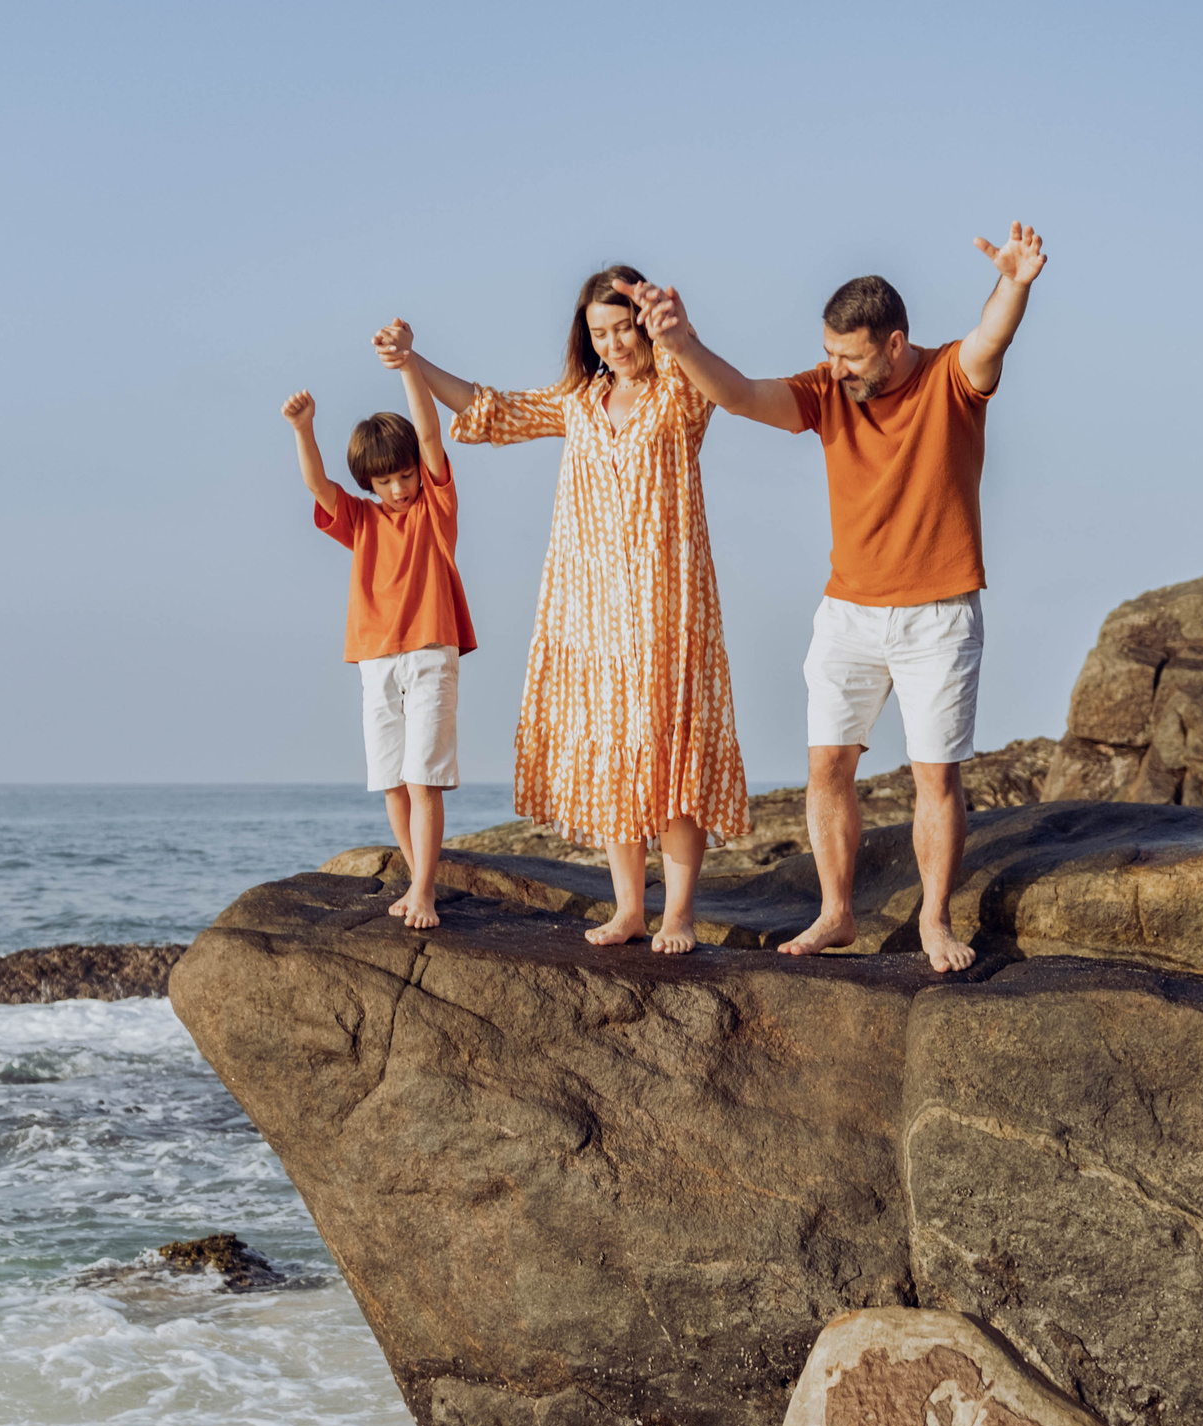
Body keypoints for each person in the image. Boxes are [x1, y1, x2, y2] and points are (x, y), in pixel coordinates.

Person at [628, 225, 1048, 972]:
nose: (836, 367)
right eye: (830, 352)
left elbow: (991, 339)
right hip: (849, 610)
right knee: (826, 766)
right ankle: (837, 912)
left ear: (894, 344)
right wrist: (683, 344)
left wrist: (1014, 285)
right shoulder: (829, 390)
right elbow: (746, 397)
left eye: (850, 355)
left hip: (939, 613)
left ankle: (933, 919)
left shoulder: (952, 376)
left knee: (934, 775)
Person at [373, 266, 748, 953]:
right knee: (616, 755)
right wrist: (413, 362)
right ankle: (631, 908)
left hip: (673, 607)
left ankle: (680, 914)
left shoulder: (681, 396)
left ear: (645, 325)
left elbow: (702, 371)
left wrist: (676, 329)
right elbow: (492, 409)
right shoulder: (578, 403)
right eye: (599, 332)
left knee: (673, 758)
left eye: (623, 327)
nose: (613, 343)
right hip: (595, 617)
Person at [280, 352, 475, 930]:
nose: (398, 488)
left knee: (424, 777)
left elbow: (433, 434)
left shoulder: (436, 510)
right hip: (373, 661)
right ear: (370, 483)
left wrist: (408, 368)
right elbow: (318, 483)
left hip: (429, 653)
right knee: (392, 783)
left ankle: (423, 893)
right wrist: (303, 428)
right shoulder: (362, 520)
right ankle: (420, 883)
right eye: (384, 481)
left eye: (405, 474)